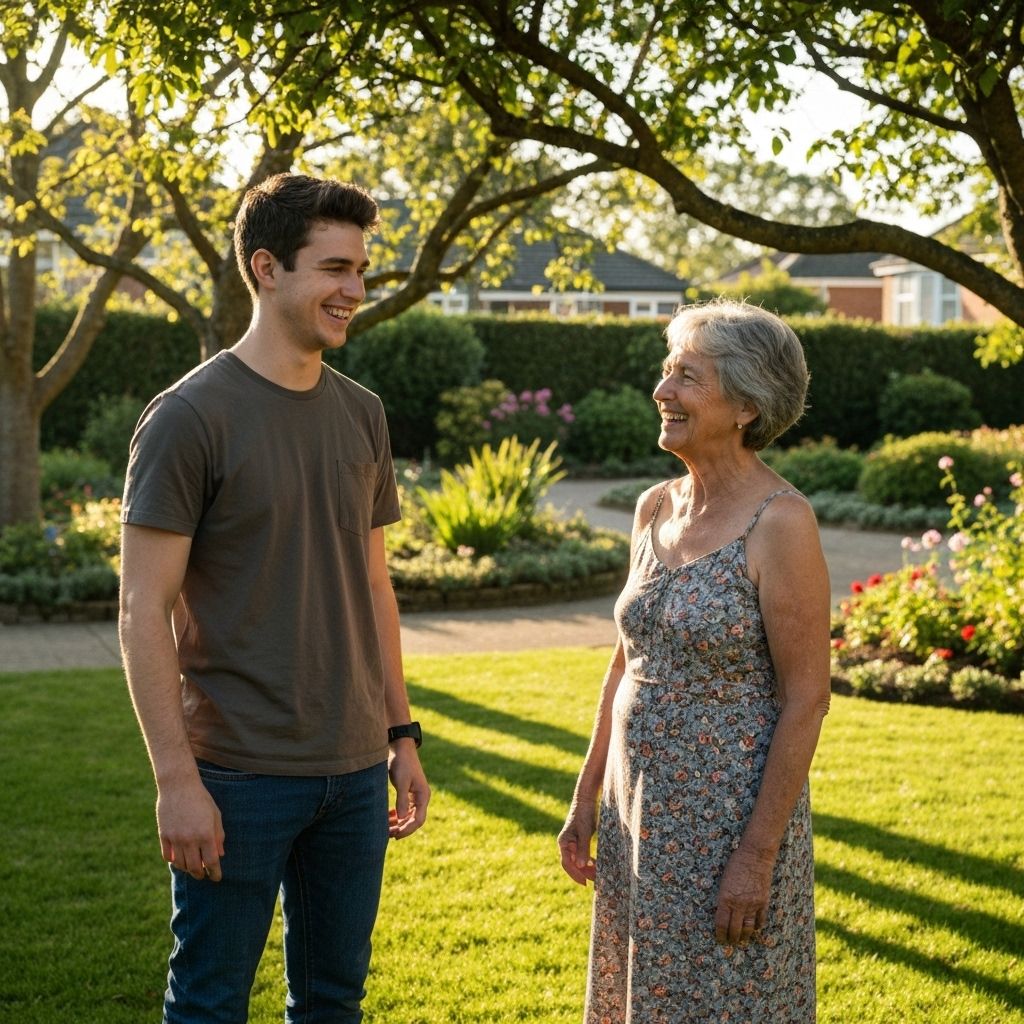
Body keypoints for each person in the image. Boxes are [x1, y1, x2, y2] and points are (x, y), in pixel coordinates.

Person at [119, 172, 429, 1024]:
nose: (355, 291)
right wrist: (175, 779)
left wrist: (400, 734)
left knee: (334, 1001)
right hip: (236, 774)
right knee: (211, 1004)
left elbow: (373, 586)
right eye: (334, 269)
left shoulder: (363, 413)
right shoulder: (189, 417)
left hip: (356, 771)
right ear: (266, 268)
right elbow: (142, 610)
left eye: (361, 270)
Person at [558, 299, 831, 1023]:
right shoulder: (653, 507)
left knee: (725, 1000)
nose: (662, 392)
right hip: (635, 809)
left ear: (745, 404)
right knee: (641, 993)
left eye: (686, 376)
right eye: (666, 370)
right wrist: (587, 796)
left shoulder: (780, 521)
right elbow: (624, 667)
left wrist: (757, 856)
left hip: (726, 825)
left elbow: (808, 696)